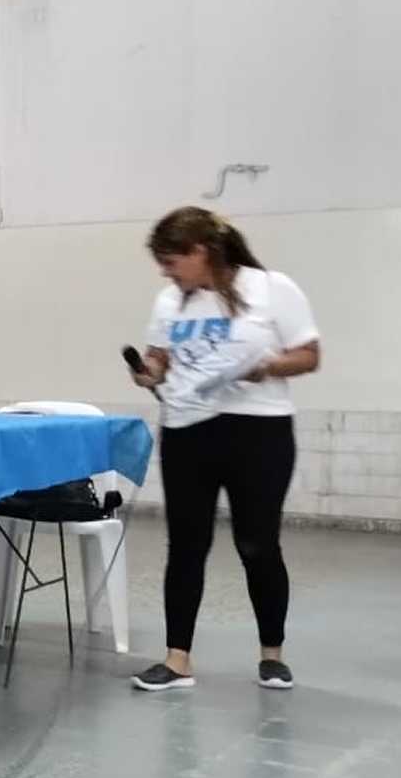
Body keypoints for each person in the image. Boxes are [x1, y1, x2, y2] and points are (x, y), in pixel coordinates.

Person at [128, 206, 320, 693]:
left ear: (202, 252)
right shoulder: (170, 302)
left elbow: (309, 354)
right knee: (186, 546)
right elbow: (160, 360)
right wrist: (150, 374)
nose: (166, 272)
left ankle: (272, 655)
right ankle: (177, 660)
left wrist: (266, 367)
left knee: (257, 544)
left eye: (171, 261)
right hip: (188, 431)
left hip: (259, 432)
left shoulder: (272, 288)